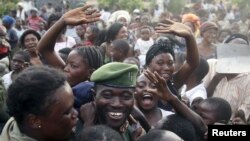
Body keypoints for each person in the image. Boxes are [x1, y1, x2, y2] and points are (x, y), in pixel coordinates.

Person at [0, 66, 78, 141]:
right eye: (67, 112)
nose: (76, 114)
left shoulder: (19, 121)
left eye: (73, 106)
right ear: (34, 121)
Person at [80, 62, 144, 141]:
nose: (116, 104)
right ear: (94, 95)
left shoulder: (132, 132)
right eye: (107, 95)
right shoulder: (77, 127)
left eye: (126, 97)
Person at [145, 19, 199, 111]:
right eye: (160, 63)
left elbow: (191, 63)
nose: (166, 68)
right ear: (148, 65)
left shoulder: (174, 82)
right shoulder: (140, 86)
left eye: (170, 63)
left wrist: (189, 36)